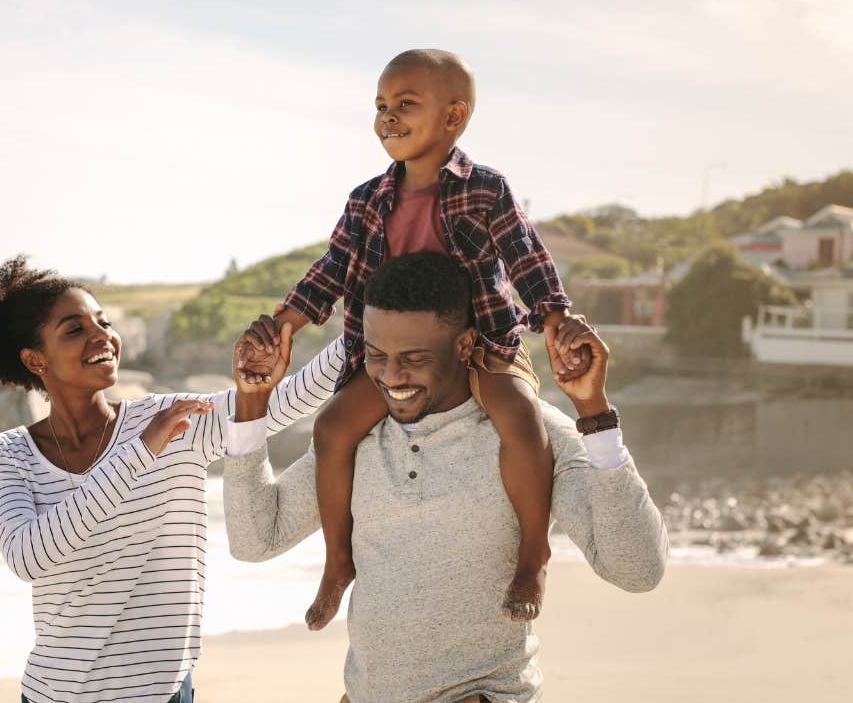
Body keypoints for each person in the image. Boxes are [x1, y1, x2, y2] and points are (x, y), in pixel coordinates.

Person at [236, 48, 597, 629]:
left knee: (521, 420)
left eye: (406, 104)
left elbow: (524, 256)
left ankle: (533, 555)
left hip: (479, 345)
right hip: (392, 358)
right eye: (380, 106)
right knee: (330, 430)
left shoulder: (484, 189)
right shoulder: (366, 199)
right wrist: (286, 322)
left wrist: (554, 316)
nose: (388, 117)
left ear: (453, 117)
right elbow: (331, 268)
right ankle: (337, 562)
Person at [226, 252, 667, 703]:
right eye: (378, 356)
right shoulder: (355, 437)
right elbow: (255, 540)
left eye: (414, 358)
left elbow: (638, 571)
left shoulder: (531, 435)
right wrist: (252, 404)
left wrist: (594, 412)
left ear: (463, 345)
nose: (391, 376)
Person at [0, 255, 345, 703]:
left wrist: (375, 321)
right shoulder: (10, 452)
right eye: (75, 329)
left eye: (104, 322)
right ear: (35, 359)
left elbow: (291, 397)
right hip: (51, 694)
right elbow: (28, 557)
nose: (102, 336)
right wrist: (141, 451)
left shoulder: (172, 420)